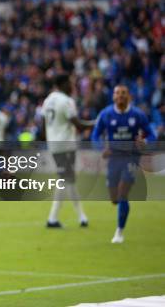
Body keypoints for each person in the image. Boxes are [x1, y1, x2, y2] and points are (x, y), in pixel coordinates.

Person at [91, 85, 155, 243]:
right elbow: (95, 135)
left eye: (124, 93)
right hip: (113, 159)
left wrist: (145, 141)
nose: (120, 96)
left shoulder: (137, 115)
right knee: (114, 198)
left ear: (129, 96)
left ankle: (119, 232)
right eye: (118, 93)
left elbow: (152, 134)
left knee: (122, 194)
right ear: (113, 97)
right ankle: (119, 207)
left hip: (131, 158)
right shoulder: (106, 114)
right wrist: (101, 149)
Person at [42, 74, 93, 228]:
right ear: (63, 83)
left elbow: (45, 124)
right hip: (66, 144)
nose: (72, 86)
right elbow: (78, 125)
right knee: (66, 179)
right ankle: (53, 218)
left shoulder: (48, 100)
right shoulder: (66, 101)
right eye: (70, 83)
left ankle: (81, 217)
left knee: (67, 179)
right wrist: (98, 122)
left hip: (54, 144)